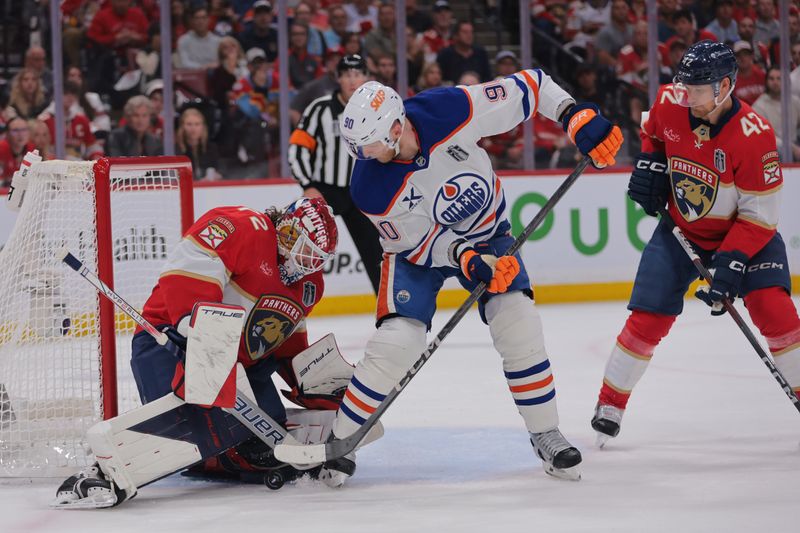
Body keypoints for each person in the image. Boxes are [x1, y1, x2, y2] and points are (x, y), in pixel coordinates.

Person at [328, 69, 623, 483]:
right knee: (398, 341)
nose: (362, 154)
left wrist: (572, 114)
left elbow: (532, 87)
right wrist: (465, 258)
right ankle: (341, 444)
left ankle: (546, 433)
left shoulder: (447, 110)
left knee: (516, 319)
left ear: (396, 126)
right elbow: (418, 242)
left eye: (369, 143)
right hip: (417, 255)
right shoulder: (368, 186)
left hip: (488, 235)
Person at [53, 197, 356, 507]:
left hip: (239, 366)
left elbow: (285, 335)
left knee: (263, 442)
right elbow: (189, 266)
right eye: (306, 252)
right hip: (173, 343)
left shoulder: (310, 285)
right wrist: (195, 330)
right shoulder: (244, 227)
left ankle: (226, 455)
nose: (309, 264)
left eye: (318, 258)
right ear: (287, 231)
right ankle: (102, 468)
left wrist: (308, 380)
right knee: (186, 434)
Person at [591, 41, 800, 447]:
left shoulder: (754, 136)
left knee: (775, 312)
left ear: (724, 86)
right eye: (684, 86)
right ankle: (609, 403)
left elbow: (761, 216)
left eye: (697, 89)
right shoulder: (673, 99)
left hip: (745, 235)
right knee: (647, 319)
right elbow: (652, 130)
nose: (686, 95)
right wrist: (651, 161)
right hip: (681, 231)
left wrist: (732, 261)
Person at [288, 55, 382, 295]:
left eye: (358, 74)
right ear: (338, 78)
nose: (353, 80)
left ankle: (389, 314)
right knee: (300, 248)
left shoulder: (376, 111)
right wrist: (307, 184)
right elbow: (298, 149)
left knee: (377, 255)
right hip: (324, 190)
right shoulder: (320, 108)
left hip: (361, 191)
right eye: (347, 74)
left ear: (367, 78)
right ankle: (289, 301)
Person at [752, 66, 800, 160]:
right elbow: (765, 136)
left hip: (795, 143)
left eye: (779, 78)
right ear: (766, 81)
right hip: (774, 148)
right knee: (781, 152)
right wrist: (793, 148)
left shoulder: (795, 101)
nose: (775, 82)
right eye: (771, 78)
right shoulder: (758, 106)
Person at [175, 107, 221, 180]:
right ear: (182, 126)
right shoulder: (175, 150)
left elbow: (220, 171)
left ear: (203, 126)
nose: (193, 128)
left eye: (197, 124)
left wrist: (218, 175)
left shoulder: (211, 148)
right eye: (189, 124)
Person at [0, 118, 35, 186]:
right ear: (7, 133)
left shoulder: (32, 149)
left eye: (24, 130)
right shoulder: (1, 149)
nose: (20, 134)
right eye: (15, 130)